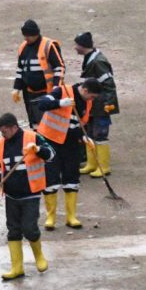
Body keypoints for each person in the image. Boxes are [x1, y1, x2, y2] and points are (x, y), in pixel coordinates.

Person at [0, 113, 55, 280]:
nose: (3, 135)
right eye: (1, 132)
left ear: (14, 127)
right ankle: (17, 268)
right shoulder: (0, 145)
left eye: (4, 131)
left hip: (31, 194)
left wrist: (38, 150)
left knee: (29, 228)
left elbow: (51, 154)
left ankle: (39, 257)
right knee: (13, 230)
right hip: (11, 196)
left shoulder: (33, 137)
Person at [37, 78, 102, 230]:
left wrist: (84, 137)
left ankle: (71, 217)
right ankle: (51, 217)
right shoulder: (62, 91)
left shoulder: (87, 102)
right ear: (85, 90)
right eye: (92, 96)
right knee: (51, 180)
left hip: (71, 144)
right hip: (51, 141)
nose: (92, 100)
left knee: (72, 179)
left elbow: (80, 124)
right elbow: (42, 104)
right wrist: (60, 103)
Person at [75, 32, 118, 178]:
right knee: (90, 134)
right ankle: (92, 163)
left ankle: (103, 166)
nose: (75, 48)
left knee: (100, 135)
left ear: (82, 46)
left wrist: (108, 104)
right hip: (92, 105)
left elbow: (109, 84)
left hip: (101, 106)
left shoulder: (98, 62)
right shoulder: (91, 59)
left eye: (77, 45)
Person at [12, 19, 65, 128]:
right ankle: (37, 141)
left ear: (35, 34)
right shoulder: (23, 47)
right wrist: (17, 88)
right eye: (24, 35)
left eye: (28, 35)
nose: (25, 38)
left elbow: (59, 67)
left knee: (48, 124)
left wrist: (56, 86)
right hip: (30, 93)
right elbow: (20, 69)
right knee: (34, 122)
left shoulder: (48, 46)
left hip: (47, 92)